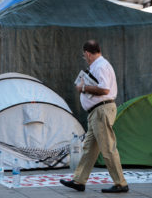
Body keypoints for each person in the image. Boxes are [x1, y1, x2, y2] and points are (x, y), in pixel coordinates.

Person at [60, 40, 129, 193]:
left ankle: (121, 183)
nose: (84, 57)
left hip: (101, 111)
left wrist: (83, 87)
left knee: (108, 148)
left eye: (84, 55)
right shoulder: (100, 65)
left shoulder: (100, 66)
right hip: (97, 112)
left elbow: (104, 89)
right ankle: (79, 180)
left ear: (88, 53)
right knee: (89, 148)